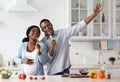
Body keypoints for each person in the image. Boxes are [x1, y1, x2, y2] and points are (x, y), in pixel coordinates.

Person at [39, 3, 102, 75]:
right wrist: (52, 47)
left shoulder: (62, 33)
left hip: (65, 71)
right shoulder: (42, 42)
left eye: (48, 25)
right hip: (53, 73)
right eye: (44, 27)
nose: (47, 28)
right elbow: (46, 60)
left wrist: (93, 15)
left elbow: (78, 26)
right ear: (42, 30)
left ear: (51, 25)